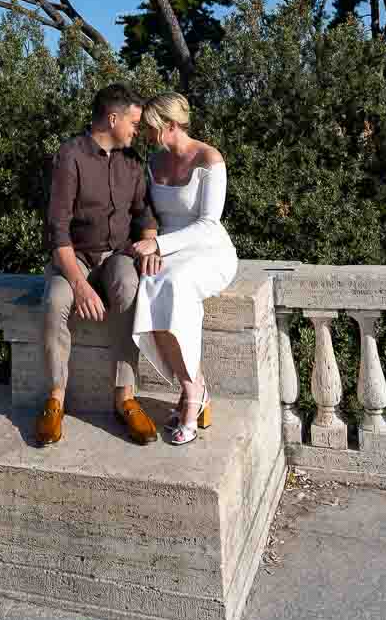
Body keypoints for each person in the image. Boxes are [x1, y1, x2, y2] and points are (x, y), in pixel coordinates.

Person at [34, 83, 160, 448]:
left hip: (118, 255)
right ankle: (55, 399)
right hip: (75, 258)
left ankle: (125, 397)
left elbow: (144, 213)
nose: (137, 130)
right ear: (113, 117)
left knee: (129, 287)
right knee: (55, 301)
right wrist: (79, 284)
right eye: (134, 123)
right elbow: (57, 229)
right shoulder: (70, 156)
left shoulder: (133, 162)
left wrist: (150, 241)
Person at [130, 93, 238, 446]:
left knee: (174, 283)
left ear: (171, 126)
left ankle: (192, 395)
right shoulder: (154, 161)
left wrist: (159, 246)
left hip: (209, 252)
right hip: (169, 251)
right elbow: (148, 215)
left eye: (151, 127)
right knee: (149, 283)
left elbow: (209, 224)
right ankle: (194, 387)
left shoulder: (210, 158)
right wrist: (152, 244)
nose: (146, 134)